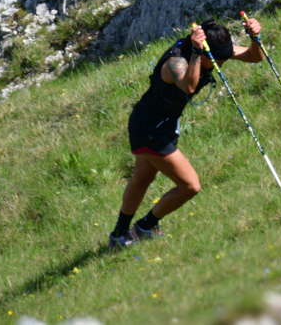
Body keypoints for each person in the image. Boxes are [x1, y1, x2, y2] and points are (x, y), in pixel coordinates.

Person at [108, 16, 264, 249]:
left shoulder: (214, 50)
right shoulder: (176, 62)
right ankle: (143, 227)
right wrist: (197, 53)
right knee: (191, 186)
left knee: (142, 179)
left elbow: (255, 57)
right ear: (203, 51)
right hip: (149, 128)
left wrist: (255, 37)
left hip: (162, 123)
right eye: (217, 61)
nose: (220, 65)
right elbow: (189, 86)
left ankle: (119, 235)